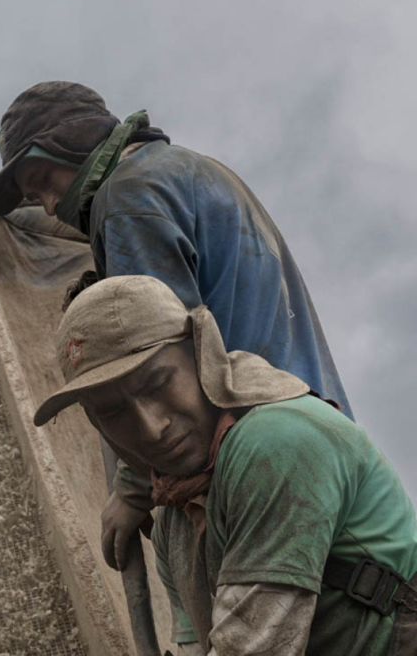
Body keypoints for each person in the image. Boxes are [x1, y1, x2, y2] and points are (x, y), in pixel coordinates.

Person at [0, 80, 352, 572]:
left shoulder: (128, 199)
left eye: (46, 180)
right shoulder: (193, 169)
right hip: (317, 430)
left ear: (74, 142)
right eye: (35, 196)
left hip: (263, 457)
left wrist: (133, 490)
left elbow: (150, 358)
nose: (48, 205)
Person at [37, 274, 417, 655]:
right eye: (113, 412)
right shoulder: (173, 524)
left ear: (202, 355)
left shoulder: (276, 444)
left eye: (158, 383)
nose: (151, 428)